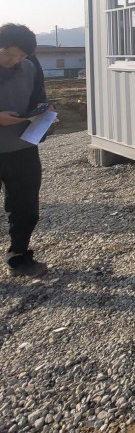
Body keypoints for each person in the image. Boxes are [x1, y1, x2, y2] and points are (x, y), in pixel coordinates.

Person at [0, 23, 51, 277]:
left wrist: (45, 114)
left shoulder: (30, 66)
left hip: (22, 148)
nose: (14, 60)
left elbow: (38, 98)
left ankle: (18, 256)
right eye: (9, 54)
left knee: (25, 206)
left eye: (20, 56)